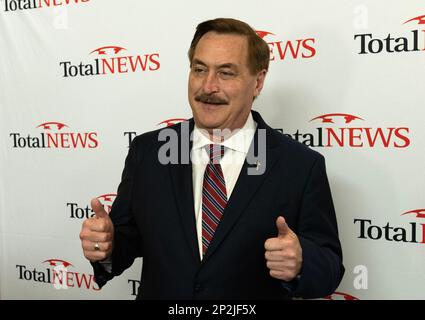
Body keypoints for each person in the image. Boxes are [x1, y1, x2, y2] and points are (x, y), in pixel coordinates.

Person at [79, 17, 344, 300]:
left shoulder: (300, 166)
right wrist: (105, 247)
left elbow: (329, 267)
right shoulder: (147, 152)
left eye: (226, 73)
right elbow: (123, 244)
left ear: (258, 82)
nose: (207, 86)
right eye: (199, 69)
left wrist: (302, 264)